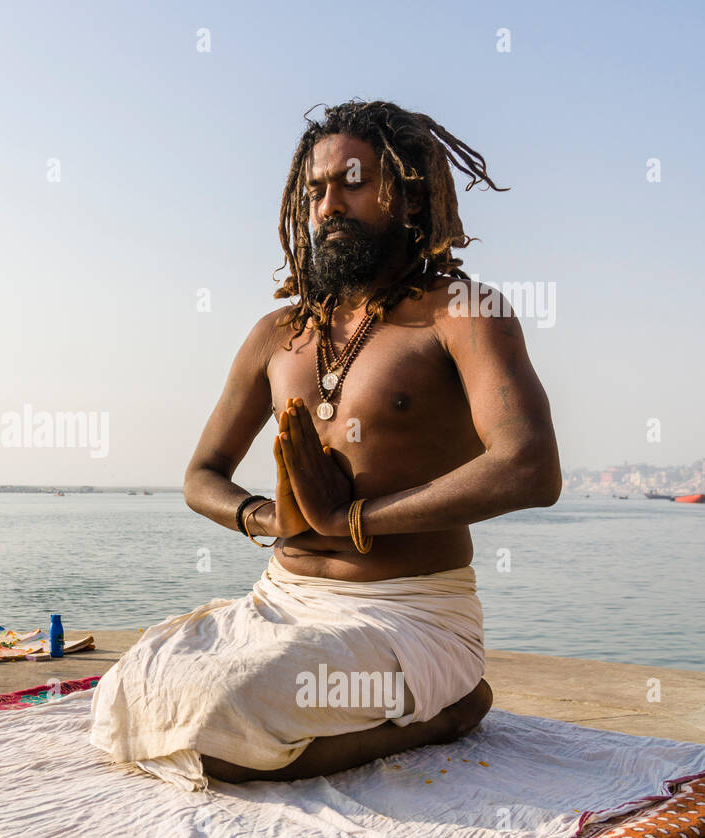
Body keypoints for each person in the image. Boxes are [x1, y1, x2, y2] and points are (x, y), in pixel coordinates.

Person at [89, 101, 562, 789]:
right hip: (277, 605)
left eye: (352, 181)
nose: (328, 205)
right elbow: (201, 474)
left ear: (405, 195)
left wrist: (356, 520)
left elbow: (530, 467)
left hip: (411, 618)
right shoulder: (277, 334)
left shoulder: (462, 312)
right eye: (315, 191)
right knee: (120, 706)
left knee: (220, 723)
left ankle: (447, 711)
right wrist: (268, 518)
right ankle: (392, 710)